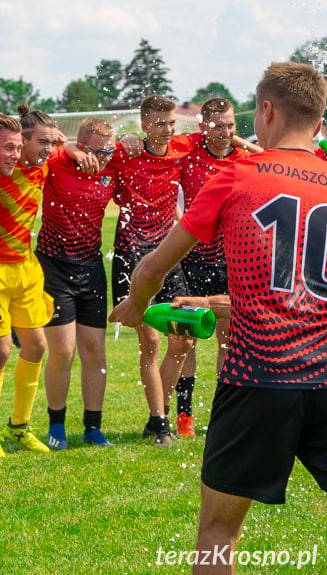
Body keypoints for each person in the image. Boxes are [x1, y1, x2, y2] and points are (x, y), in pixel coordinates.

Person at [111, 61, 327, 575]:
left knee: (217, 535)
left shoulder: (236, 174)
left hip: (259, 376)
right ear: (319, 122)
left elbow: (153, 266)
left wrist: (136, 307)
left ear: (266, 110)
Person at [108, 95, 201, 446]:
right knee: (149, 342)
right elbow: (80, 146)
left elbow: (222, 139)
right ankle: (160, 421)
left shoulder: (180, 147)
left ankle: (157, 414)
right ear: (145, 125)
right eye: (161, 124)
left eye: (172, 123)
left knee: (184, 338)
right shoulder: (126, 152)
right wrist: (119, 142)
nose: (168, 130)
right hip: (133, 253)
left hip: (168, 254)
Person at [0, 111, 54, 458]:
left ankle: (19, 426)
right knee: (0, 352)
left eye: (52, 142)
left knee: (36, 347)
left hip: (25, 266)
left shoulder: (45, 166)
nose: (47, 149)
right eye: (42, 142)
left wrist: (76, 148)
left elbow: (74, 146)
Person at [36, 117, 118, 450]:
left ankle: (93, 427)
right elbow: (37, 150)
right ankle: (56, 424)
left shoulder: (113, 169)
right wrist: (64, 146)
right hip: (54, 266)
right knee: (63, 350)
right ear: (82, 147)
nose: (106, 158)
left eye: (110, 151)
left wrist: (124, 143)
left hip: (91, 267)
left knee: (95, 350)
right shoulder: (56, 163)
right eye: (100, 151)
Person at [174, 98, 251, 438]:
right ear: (203, 126)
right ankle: (184, 417)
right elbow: (152, 141)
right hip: (191, 258)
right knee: (186, 340)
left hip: (231, 258)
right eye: (218, 126)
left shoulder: (245, 158)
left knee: (228, 340)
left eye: (231, 125)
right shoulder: (188, 151)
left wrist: (242, 142)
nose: (226, 132)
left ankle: (223, 414)